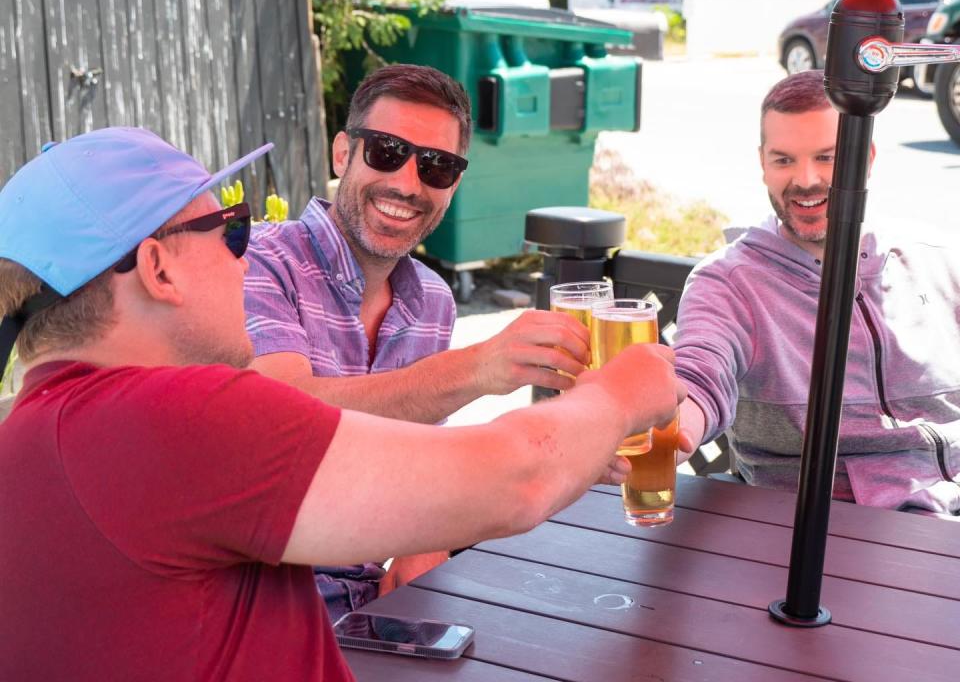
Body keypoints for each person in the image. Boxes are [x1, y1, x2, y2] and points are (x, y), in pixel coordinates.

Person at [0, 126, 683, 682]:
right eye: (232, 229)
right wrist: (621, 395)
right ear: (158, 268)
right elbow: (518, 477)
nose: (249, 255)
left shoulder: (39, 434)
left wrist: (573, 445)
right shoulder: (174, 420)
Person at [244, 64, 601, 614]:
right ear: (343, 154)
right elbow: (283, 419)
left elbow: (415, 464)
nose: (408, 185)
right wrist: (477, 368)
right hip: (261, 604)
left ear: (454, 184)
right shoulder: (261, 263)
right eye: (386, 151)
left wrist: (429, 538)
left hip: (371, 607)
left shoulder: (432, 299)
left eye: (436, 166)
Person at [674, 69, 960, 516]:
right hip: (820, 532)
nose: (805, 180)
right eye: (784, 159)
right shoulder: (730, 283)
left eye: (827, 157)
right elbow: (697, 381)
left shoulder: (934, 258)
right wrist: (658, 429)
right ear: (762, 162)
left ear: (865, 156)